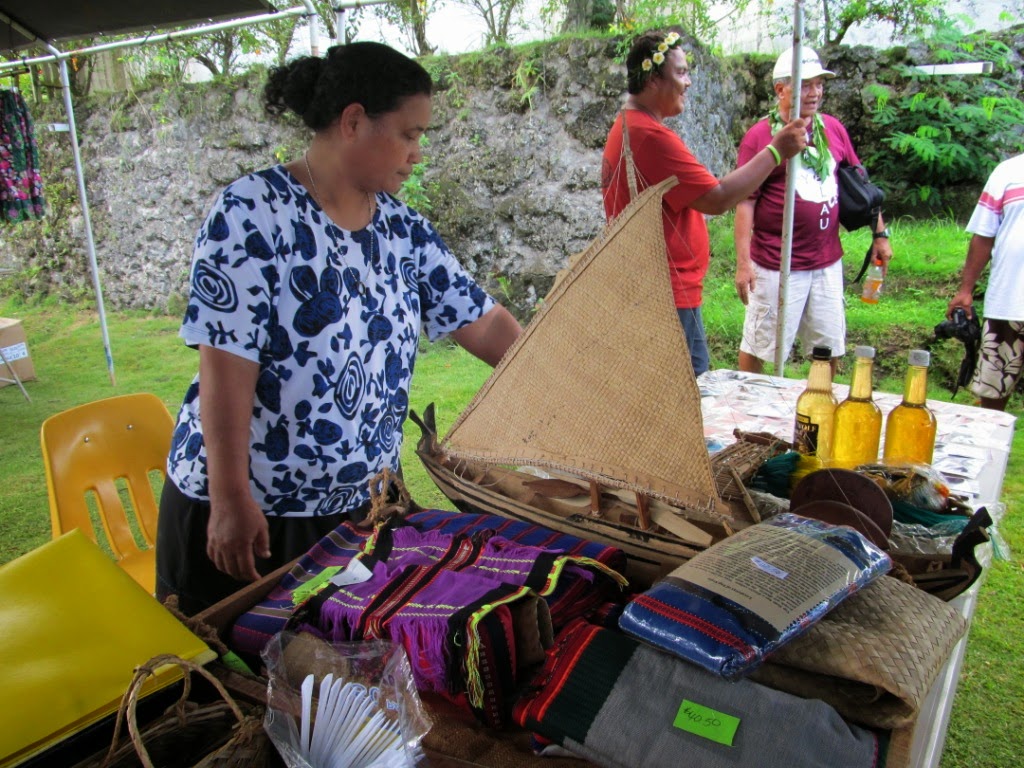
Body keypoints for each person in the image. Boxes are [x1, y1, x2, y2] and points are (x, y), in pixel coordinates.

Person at [156, 42, 523, 615]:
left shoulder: (404, 231)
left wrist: (558, 376)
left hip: (360, 511)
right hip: (251, 512)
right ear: (354, 122)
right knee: (223, 686)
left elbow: (486, 321)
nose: (417, 153)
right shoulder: (252, 213)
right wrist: (230, 498)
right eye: (409, 133)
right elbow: (226, 367)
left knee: (341, 680)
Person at [601, 30, 807, 377]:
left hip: (656, 288)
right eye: (681, 73)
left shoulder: (628, 126)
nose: (689, 82)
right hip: (667, 293)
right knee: (685, 387)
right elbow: (718, 198)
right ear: (653, 80)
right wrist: (775, 152)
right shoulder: (649, 136)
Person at [734, 46, 892, 375]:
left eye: (819, 84)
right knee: (760, 345)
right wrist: (743, 263)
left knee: (828, 346)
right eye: (805, 84)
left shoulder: (831, 129)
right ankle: (749, 404)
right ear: (781, 89)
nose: (815, 92)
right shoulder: (761, 137)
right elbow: (746, 200)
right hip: (777, 262)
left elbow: (859, 184)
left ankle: (818, 410)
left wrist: (880, 233)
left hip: (826, 261)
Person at [947, 153, 1024, 411]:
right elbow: (983, 236)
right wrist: (965, 290)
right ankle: (989, 449)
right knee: (992, 393)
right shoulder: (1007, 172)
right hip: (1008, 302)